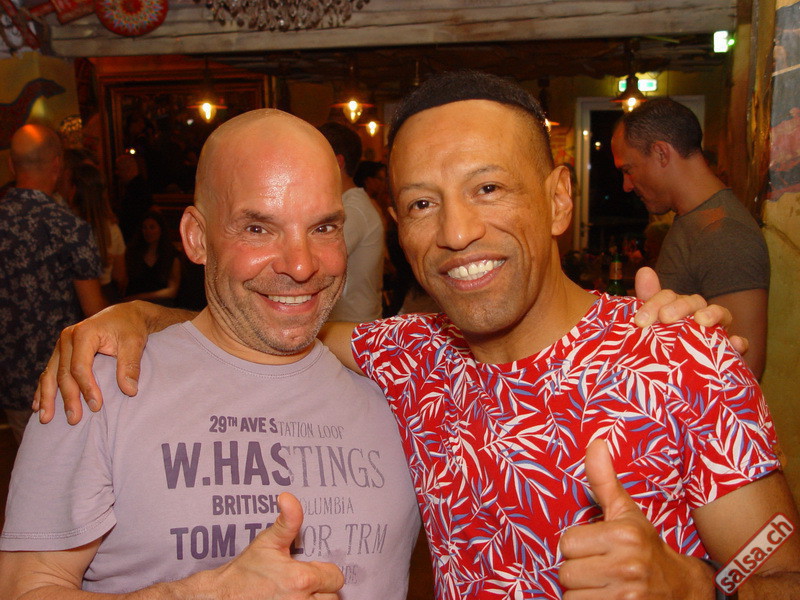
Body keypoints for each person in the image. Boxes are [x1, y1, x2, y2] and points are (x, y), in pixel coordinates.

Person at [35, 73, 794, 599]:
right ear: (397, 225)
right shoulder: (407, 357)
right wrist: (134, 316)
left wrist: (692, 588)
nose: (457, 232)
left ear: (559, 199)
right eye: (424, 204)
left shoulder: (682, 356)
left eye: (488, 188)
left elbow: (781, 577)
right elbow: (265, 319)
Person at [0, 110, 420, 599]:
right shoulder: (98, 384)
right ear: (197, 237)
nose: (302, 265)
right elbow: (25, 588)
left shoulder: (406, 390)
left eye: (324, 228)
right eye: (258, 229)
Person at [611, 98, 770, 379]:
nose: (626, 185)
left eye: (628, 170)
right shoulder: (692, 221)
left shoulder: (726, 235)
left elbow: (745, 369)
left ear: (661, 153)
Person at [0, 124, 107, 444]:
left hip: (8, 379)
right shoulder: (70, 228)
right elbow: (95, 312)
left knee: (25, 462)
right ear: (58, 165)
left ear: (11, 165)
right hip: (61, 380)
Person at [318, 122, 385, 323]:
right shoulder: (345, 204)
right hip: (346, 322)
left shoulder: (352, 210)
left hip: (352, 325)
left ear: (337, 162)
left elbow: (319, 263)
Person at [68, 162, 128, 302]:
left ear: (74, 190)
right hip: (105, 295)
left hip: (76, 298)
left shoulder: (68, 227)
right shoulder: (111, 228)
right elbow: (119, 275)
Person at [124, 209, 181, 305]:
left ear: (161, 230)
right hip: (134, 306)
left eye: (152, 227)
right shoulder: (133, 253)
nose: (148, 231)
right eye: (144, 228)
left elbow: (172, 291)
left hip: (161, 305)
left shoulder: (171, 255)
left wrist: (140, 297)